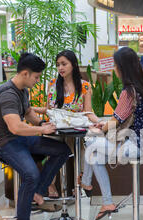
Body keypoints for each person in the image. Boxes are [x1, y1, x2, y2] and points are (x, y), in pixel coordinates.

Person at [0, 53, 71, 220]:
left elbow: (29, 116)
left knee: (62, 151)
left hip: (20, 138)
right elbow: (16, 127)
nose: (37, 81)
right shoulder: (7, 94)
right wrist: (42, 131)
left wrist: (45, 124)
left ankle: (38, 192)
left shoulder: (23, 90)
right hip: (4, 142)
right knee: (30, 173)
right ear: (25, 73)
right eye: (35, 77)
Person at [81, 47, 143, 220]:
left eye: (115, 66)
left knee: (90, 143)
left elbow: (115, 121)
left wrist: (98, 128)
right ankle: (106, 201)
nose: (114, 70)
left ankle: (86, 182)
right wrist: (104, 125)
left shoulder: (128, 91)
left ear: (122, 68)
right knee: (95, 158)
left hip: (135, 146)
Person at [34, 50, 99, 197]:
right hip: (56, 129)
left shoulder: (85, 86)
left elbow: (88, 112)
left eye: (64, 64)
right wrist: (30, 109)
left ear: (74, 65)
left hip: (75, 129)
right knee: (52, 150)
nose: (60, 68)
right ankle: (50, 186)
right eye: (58, 65)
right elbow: (49, 110)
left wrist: (100, 122)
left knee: (84, 150)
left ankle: (80, 183)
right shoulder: (52, 84)